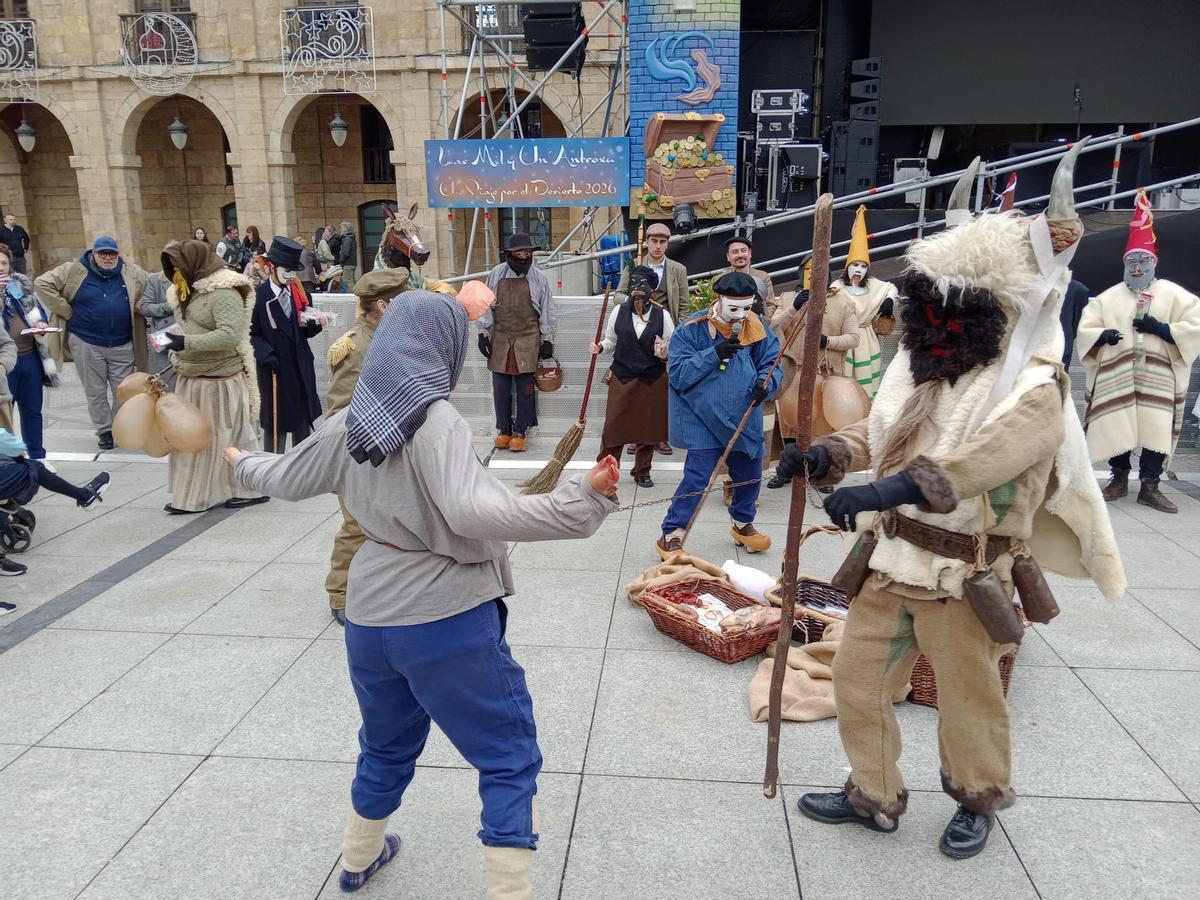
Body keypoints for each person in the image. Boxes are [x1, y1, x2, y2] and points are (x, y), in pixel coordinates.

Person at [776, 149, 1124, 859]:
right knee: (856, 679)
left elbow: (983, 461)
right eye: (927, 303)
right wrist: (827, 454)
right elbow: (880, 431)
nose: (932, 319)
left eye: (948, 307)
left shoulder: (1036, 385)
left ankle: (978, 798)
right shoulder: (919, 364)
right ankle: (871, 793)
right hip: (889, 563)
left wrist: (894, 487)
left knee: (969, 704)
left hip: (966, 578)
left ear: (994, 310)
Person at [225, 289, 619, 897]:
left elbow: (282, 476)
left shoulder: (355, 416)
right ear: (446, 348)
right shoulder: (435, 422)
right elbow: (472, 511)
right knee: (506, 753)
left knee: (384, 743)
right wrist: (582, 500)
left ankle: (358, 857)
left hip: (370, 616)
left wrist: (240, 460)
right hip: (444, 620)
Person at [1079, 190, 1200, 513]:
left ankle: (1150, 484)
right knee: (1117, 426)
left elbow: (1195, 326)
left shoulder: (1176, 295)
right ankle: (1118, 478)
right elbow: (1085, 330)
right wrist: (1101, 336)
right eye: (1131, 261)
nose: (1136, 267)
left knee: (1154, 430)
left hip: (1158, 377)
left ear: (1154, 262)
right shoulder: (1107, 297)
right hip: (1117, 375)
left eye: (1142, 261)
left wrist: (1163, 330)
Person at [656, 271, 781, 559]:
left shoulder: (758, 327)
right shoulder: (692, 328)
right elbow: (678, 373)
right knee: (698, 476)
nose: (741, 316)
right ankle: (672, 533)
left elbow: (771, 362)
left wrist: (766, 383)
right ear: (719, 300)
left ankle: (742, 523)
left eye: (748, 308)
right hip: (700, 415)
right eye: (734, 309)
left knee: (750, 470)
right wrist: (715, 354)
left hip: (742, 412)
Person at [323, 267, 411, 625]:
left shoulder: (395, 337)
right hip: (362, 453)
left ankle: (381, 586)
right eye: (399, 301)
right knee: (356, 524)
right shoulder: (355, 346)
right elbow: (340, 409)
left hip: (393, 449)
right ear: (381, 306)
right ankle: (341, 594)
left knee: (390, 523)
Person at [161, 239, 267, 515]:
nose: (174, 271)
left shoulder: (224, 291)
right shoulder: (186, 290)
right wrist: (175, 346)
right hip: (193, 374)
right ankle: (218, 492)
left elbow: (229, 335)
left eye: (177, 265)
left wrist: (185, 344)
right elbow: (192, 328)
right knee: (194, 437)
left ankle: (229, 491)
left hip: (219, 380)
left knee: (217, 438)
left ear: (192, 262)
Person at [35, 235, 149, 451]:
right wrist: (64, 309)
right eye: (103, 253)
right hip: (86, 341)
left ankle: (120, 427)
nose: (108, 257)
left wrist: (146, 303)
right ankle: (104, 431)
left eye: (112, 253)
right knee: (95, 390)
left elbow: (152, 283)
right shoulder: (73, 270)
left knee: (123, 390)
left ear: (118, 255)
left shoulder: (132, 272)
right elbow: (41, 283)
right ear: (93, 254)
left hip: (122, 342)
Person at [765, 276, 861, 490]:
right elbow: (773, 328)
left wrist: (829, 341)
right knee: (790, 425)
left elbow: (854, 338)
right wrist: (794, 307)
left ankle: (821, 472)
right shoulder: (788, 298)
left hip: (824, 372)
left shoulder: (843, 302)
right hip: (792, 371)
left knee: (821, 425)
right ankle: (785, 470)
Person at [590, 265, 674, 487]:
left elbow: (670, 346)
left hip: (652, 377)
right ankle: (606, 470)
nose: (637, 289)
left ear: (651, 290)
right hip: (623, 374)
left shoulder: (662, 315)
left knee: (649, 426)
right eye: (633, 284)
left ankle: (642, 471)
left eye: (642, 285)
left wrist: (663, 351)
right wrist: (600, 347)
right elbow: (611, 341)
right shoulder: (619, 311)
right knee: (614, 425)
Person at [480, 232, 556, 452]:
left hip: (529, 336)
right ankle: (503, 429)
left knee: (525, 387)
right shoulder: (496, 274)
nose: (524, 257)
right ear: (509, 255)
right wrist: (483, 333)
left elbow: (547, 309)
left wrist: (547, 338)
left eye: (528, 253)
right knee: (500, 386)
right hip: (501, 336)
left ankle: (521, 430)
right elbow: (486, 304)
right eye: (519, 253)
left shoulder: (540, 278)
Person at [250, 237, 326, 453]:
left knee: (302, 423)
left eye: (294, 271)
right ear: (272, 267)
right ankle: (272, 466)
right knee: (276, 425)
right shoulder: (258, 297)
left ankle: (300, 469)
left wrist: (316, 323)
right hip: (275, 369)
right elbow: (251, 334)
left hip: (299, 367)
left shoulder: (301, 295)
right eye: (287, 270)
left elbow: (303, 331)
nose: (292, 276)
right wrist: (266, 354)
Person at [835, 206, 897, 399]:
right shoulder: (837, 285)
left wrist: (888, 301)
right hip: (845, 336)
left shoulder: (873, 285)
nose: (859, 269)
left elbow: (891, 287)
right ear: (848, 267)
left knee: (866, 382)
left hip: (866, 339)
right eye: (855, 265)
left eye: (863, 266)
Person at [1, 245, 55, 460]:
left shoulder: (19, 286)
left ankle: (38, 457)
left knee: (32, 411)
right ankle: (9, 461)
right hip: (5, 363)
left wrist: (41, 322)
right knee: (4, 414)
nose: (1, 268)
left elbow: (36, 310)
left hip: (29, 356)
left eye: (4, 263)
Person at [618, 222, 688, 326]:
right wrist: (630, 299)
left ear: (667, 244)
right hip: (636, 323)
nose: (658, 246)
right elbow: (618, 296)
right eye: (654, 241)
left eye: (662, 242)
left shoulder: (679, 269)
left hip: (665, 324)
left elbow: (685, 306)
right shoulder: (633, 265)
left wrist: (677, 331)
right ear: (646, 242)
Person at [138, 244, 180, 390]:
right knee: (165, 387)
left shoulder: (192, 279)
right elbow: (145, 307)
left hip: (187, 339)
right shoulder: (155, 280)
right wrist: (170, 305)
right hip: (164, 339)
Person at [718, 234, 778, 322]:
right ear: (728, 256)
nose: (740, 255)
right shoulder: (720, 279)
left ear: (750, 253)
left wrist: (759, 320)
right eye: (735, 252)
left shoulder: (762, 277)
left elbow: (770, 305)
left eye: (743, 251)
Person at [338, 221, 359, 286]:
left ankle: (352, 295)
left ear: (346, 229)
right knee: (352, 280)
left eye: (341, 228)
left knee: (348, 282)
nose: (340, 229)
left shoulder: (347, 239)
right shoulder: (352, 238)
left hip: (347, 264)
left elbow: (345, 253)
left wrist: (341, 260)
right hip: (352, 263)